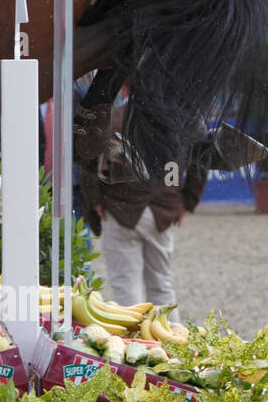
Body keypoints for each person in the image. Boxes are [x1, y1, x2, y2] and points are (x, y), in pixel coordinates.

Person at [77, 92, 207, 321]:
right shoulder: (180, 118)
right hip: (163, 209)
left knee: (125, 289)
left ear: (126, 87)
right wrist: (187, 200)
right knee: (161, 285)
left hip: (120, 209)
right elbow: (202, 157)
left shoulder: (115, 117)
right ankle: (173, 345)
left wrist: (95, 201)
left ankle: (133, 350)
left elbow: (86, 160)